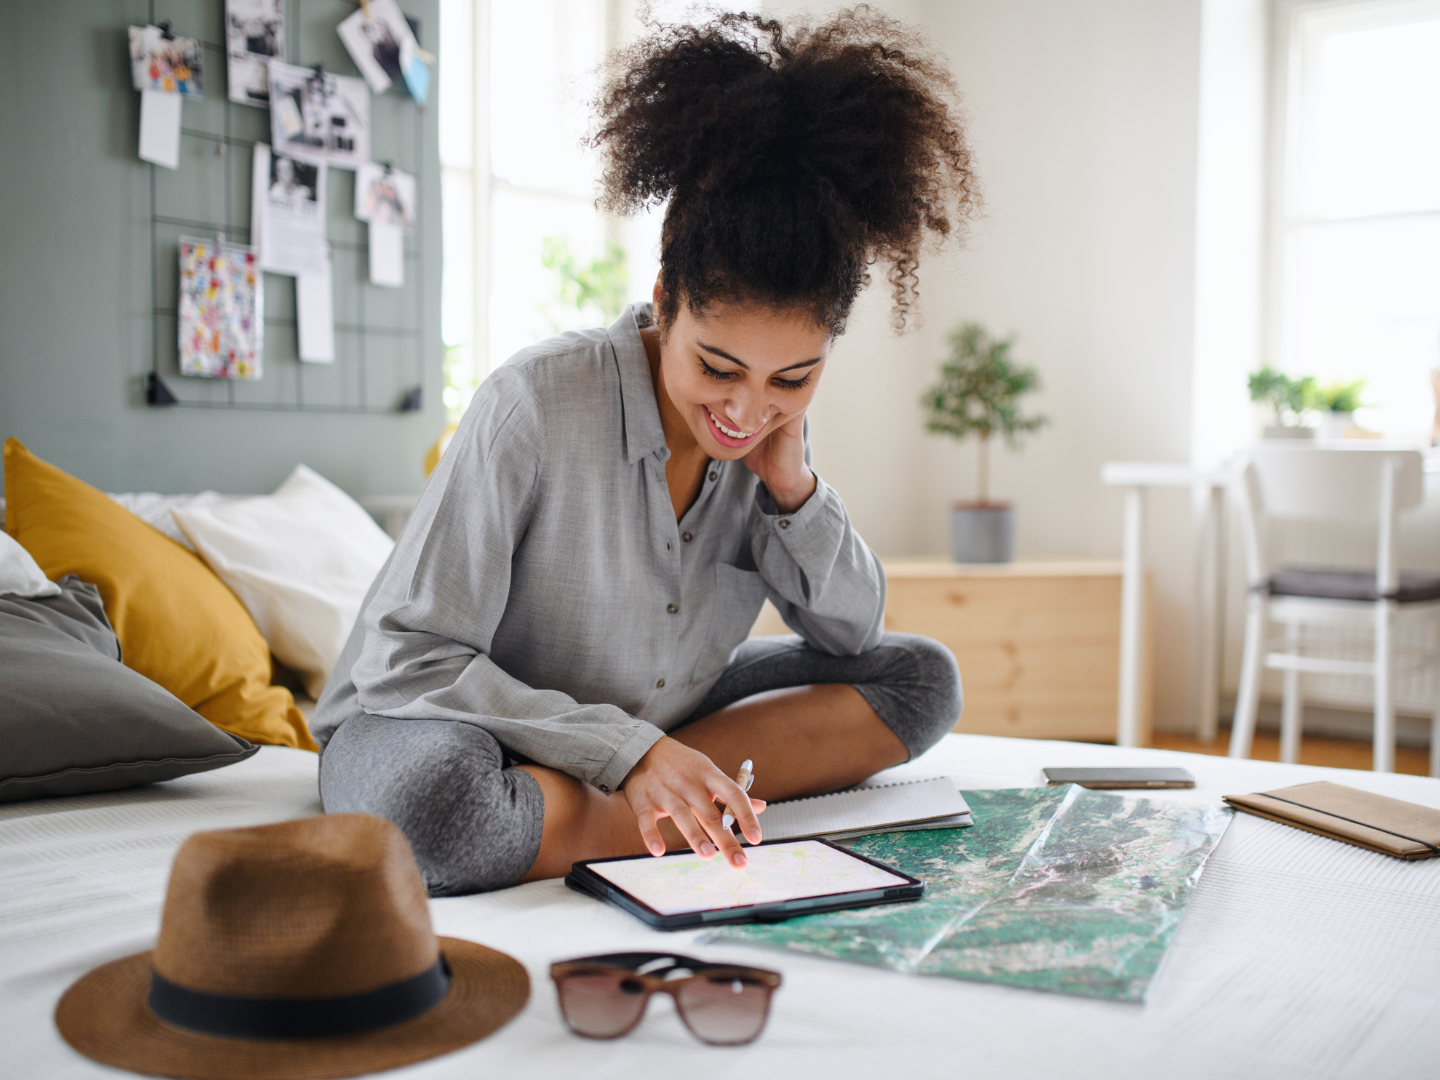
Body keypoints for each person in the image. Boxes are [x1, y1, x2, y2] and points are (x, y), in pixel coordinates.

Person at [312, 8, 980, 895]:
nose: (746, 411)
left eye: (794, 378)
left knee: (921, 677)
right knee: (440, 809)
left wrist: (793, 489)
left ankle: (605, 801)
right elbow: (409, 660)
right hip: (449, 719)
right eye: (718, 366)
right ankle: (651, 800)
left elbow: (853, 635)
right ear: (666, 297)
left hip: (656, 706)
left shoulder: (766, 439)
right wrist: (630, 751)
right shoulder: (535, 403)